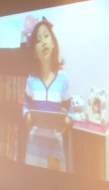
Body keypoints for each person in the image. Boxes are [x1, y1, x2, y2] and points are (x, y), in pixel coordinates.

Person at [22, 17, 72, 172]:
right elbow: (25, 106)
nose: (43, 42)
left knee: (54, 182)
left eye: (46, 36)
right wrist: (27, 116)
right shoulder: (31, 80)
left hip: (54, 145)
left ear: (52, 43)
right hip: (34, 145)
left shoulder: (63, 78)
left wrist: (68, 119)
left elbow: (70, 109)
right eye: (38, 40)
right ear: (34, 53)